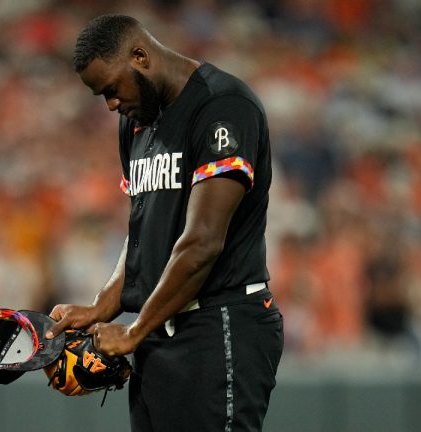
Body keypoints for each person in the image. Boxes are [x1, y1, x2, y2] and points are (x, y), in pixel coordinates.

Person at [45, 14, 283, 431]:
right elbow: (143, 230)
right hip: (160, 330)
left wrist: (133, 331)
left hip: (219, 324)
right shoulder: (135, 123)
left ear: (140, 56)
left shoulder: (222, 105)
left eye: (111, 89)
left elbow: (202, 242)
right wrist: (104, 305)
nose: (111, 105)